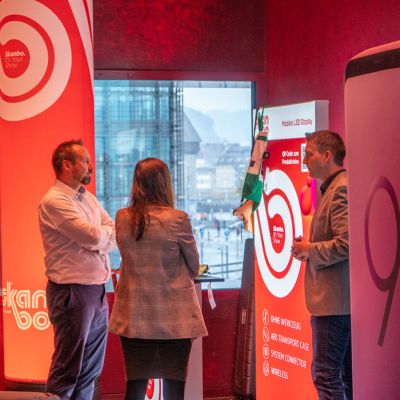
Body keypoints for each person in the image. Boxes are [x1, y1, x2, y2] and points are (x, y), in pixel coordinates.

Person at [109, 158, 207, 400]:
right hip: (174, 320)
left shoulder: (122, 217)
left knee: (135, 386)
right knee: (175, 389)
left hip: (134, 318)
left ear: (137, 183)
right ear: (165, 184)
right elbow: (194, 266)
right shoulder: (178, 219)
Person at [39, 139, 116, 399]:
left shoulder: (88, 198)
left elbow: (112, 231)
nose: (91, 166)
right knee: (68, 369)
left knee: (90, 372)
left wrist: (101, 239)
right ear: (66, 165)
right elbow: (93, 238)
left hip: (97, 292)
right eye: (85, 161)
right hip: (72, 293)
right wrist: (101, 239)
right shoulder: (54, 201)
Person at [291, 130, 352, 400]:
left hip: (333, 305)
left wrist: (309, 249)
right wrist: (308, 249)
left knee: (326, 376)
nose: (305, 160)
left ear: (327, 155)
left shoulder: (340, 189)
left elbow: (347, 244)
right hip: (336, 303)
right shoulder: (334, 188)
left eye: (309, 154)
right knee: (342, 377)